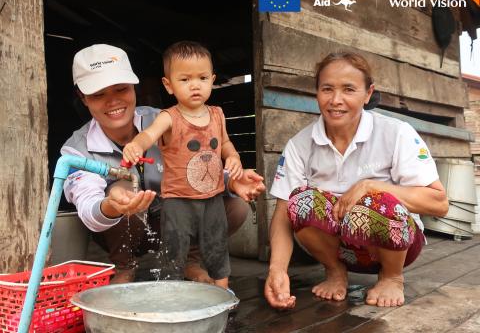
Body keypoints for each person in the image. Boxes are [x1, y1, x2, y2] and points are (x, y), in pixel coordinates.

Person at [61, 43, 265, 283]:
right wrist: (113, 206)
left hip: (173, 217)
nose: (113, 101)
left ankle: (190, 260)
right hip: (123, 230)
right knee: (123, 190)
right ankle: (125, 266)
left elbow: (200, 163)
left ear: (134, 87)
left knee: (235, 207)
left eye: (121, 89)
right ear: (82, 97)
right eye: (98, 94)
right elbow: (87, 208)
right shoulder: (75, 149)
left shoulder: (164, 120)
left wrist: (233, 181)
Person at [264, 52, 449, 309]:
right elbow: (283, 213)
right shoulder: (299, 145)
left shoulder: (396, 133)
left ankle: (391, 277)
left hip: (396, 248)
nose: (336, 100)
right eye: (327, 89)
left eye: (349, 89)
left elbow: (439, 203)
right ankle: (335, 272)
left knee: (379, 200)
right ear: (316, 92)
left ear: (368, 93)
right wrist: (277, 269)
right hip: (339, 249)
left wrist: (371, 186)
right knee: (299, 201)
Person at [123, 41, 244, 289]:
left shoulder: (217, 114)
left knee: (217, 244)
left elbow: (225, 144)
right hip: (177, 200)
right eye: (185, 79)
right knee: (174, 248)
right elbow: (149, 135)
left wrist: (234, 157)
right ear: (169, 85)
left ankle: (222, 294)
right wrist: (136, 144)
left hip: (213, 198)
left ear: (212, 79)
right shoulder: (169, 117)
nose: (195, 85)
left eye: (201, 78)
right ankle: (173, 295)